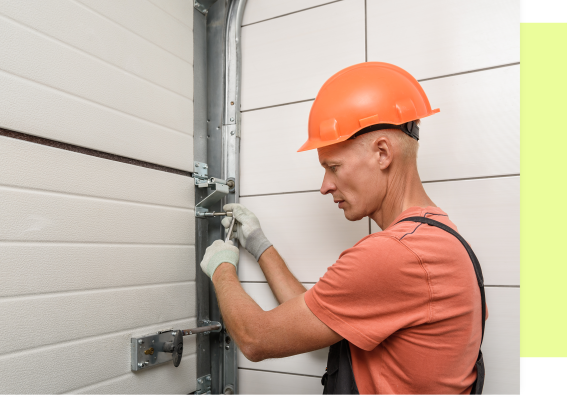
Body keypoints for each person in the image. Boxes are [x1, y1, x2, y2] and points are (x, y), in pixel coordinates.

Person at [200, 62, 486, 394]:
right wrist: (261, 246)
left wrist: (222, 268)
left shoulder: (393, 255)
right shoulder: (439, 239)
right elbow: (322, 310)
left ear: (382, 153)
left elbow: (256, 338)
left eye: (333, 167)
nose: (325, 186)